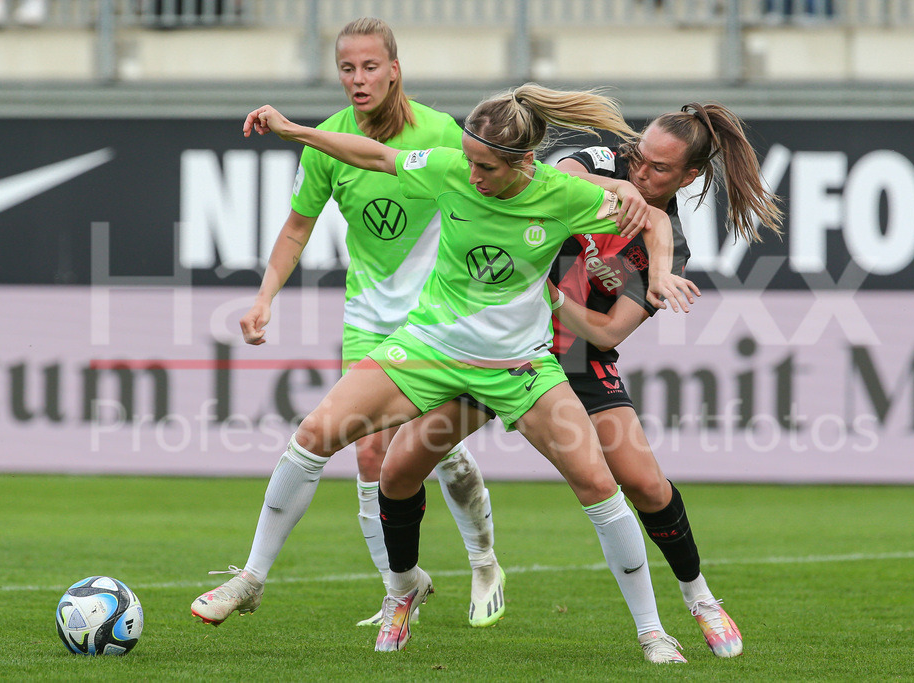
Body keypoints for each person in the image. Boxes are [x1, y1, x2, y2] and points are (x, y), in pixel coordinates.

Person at [235, 83, 706, 664]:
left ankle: (674, 617)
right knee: (380, 461)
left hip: (539, 361)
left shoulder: (585, 204)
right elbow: (379, 156)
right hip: (449, 350)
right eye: (637, 154)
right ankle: (389, 589)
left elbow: (638, 256)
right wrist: (296, 132)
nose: (473, 174)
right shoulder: (488, 169)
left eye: (485, 165)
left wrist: (651, 274)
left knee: (620, 484)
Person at [190, 17, 505, 631]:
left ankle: (483, 557)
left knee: (439, 451)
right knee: (368, 453)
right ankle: (398, 592)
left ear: (394, 69)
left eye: (369, 67)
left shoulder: (442, 134)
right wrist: (264, 298)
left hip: (438, 319)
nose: (357, 80)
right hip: (369, 318)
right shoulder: (328, 142)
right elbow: (297, 227)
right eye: (346, 68)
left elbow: (488, 205)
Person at [547, 102, 784, 659]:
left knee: (647, 486)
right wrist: (621, 194)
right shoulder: (607, 160)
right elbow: (558, 178)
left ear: (689, 176)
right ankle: (405, 587)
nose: (639, 170)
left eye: (657, 169)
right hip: (505, 343)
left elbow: (606, 335)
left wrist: (554, 297)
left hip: (578, 357)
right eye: (639, 155)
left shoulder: (672, 245)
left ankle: (699, 597)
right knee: (405, 453)